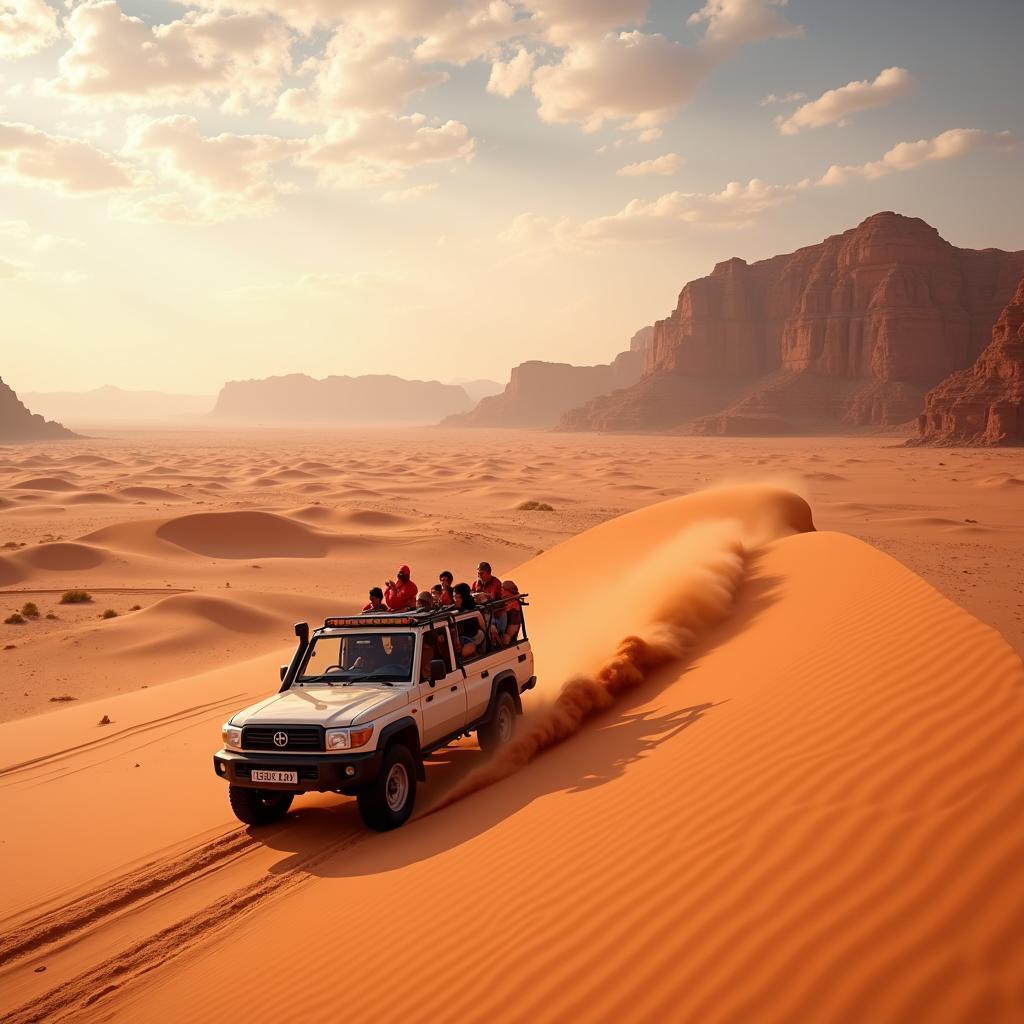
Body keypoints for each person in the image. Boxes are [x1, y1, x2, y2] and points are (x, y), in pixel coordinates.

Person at [452, 582, 485, 660]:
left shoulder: (473, 610)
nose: (455, 600)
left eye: (458, 597)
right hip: (461, 638)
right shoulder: (455, 609)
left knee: (459, 657)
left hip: (474, 637)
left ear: (464, 597)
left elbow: (483, 627)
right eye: (454, 597)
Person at [497, 580, 524, 646]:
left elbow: (509, 634)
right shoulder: (509, 605)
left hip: (508, 644)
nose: (502, 592)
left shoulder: (514, 608)